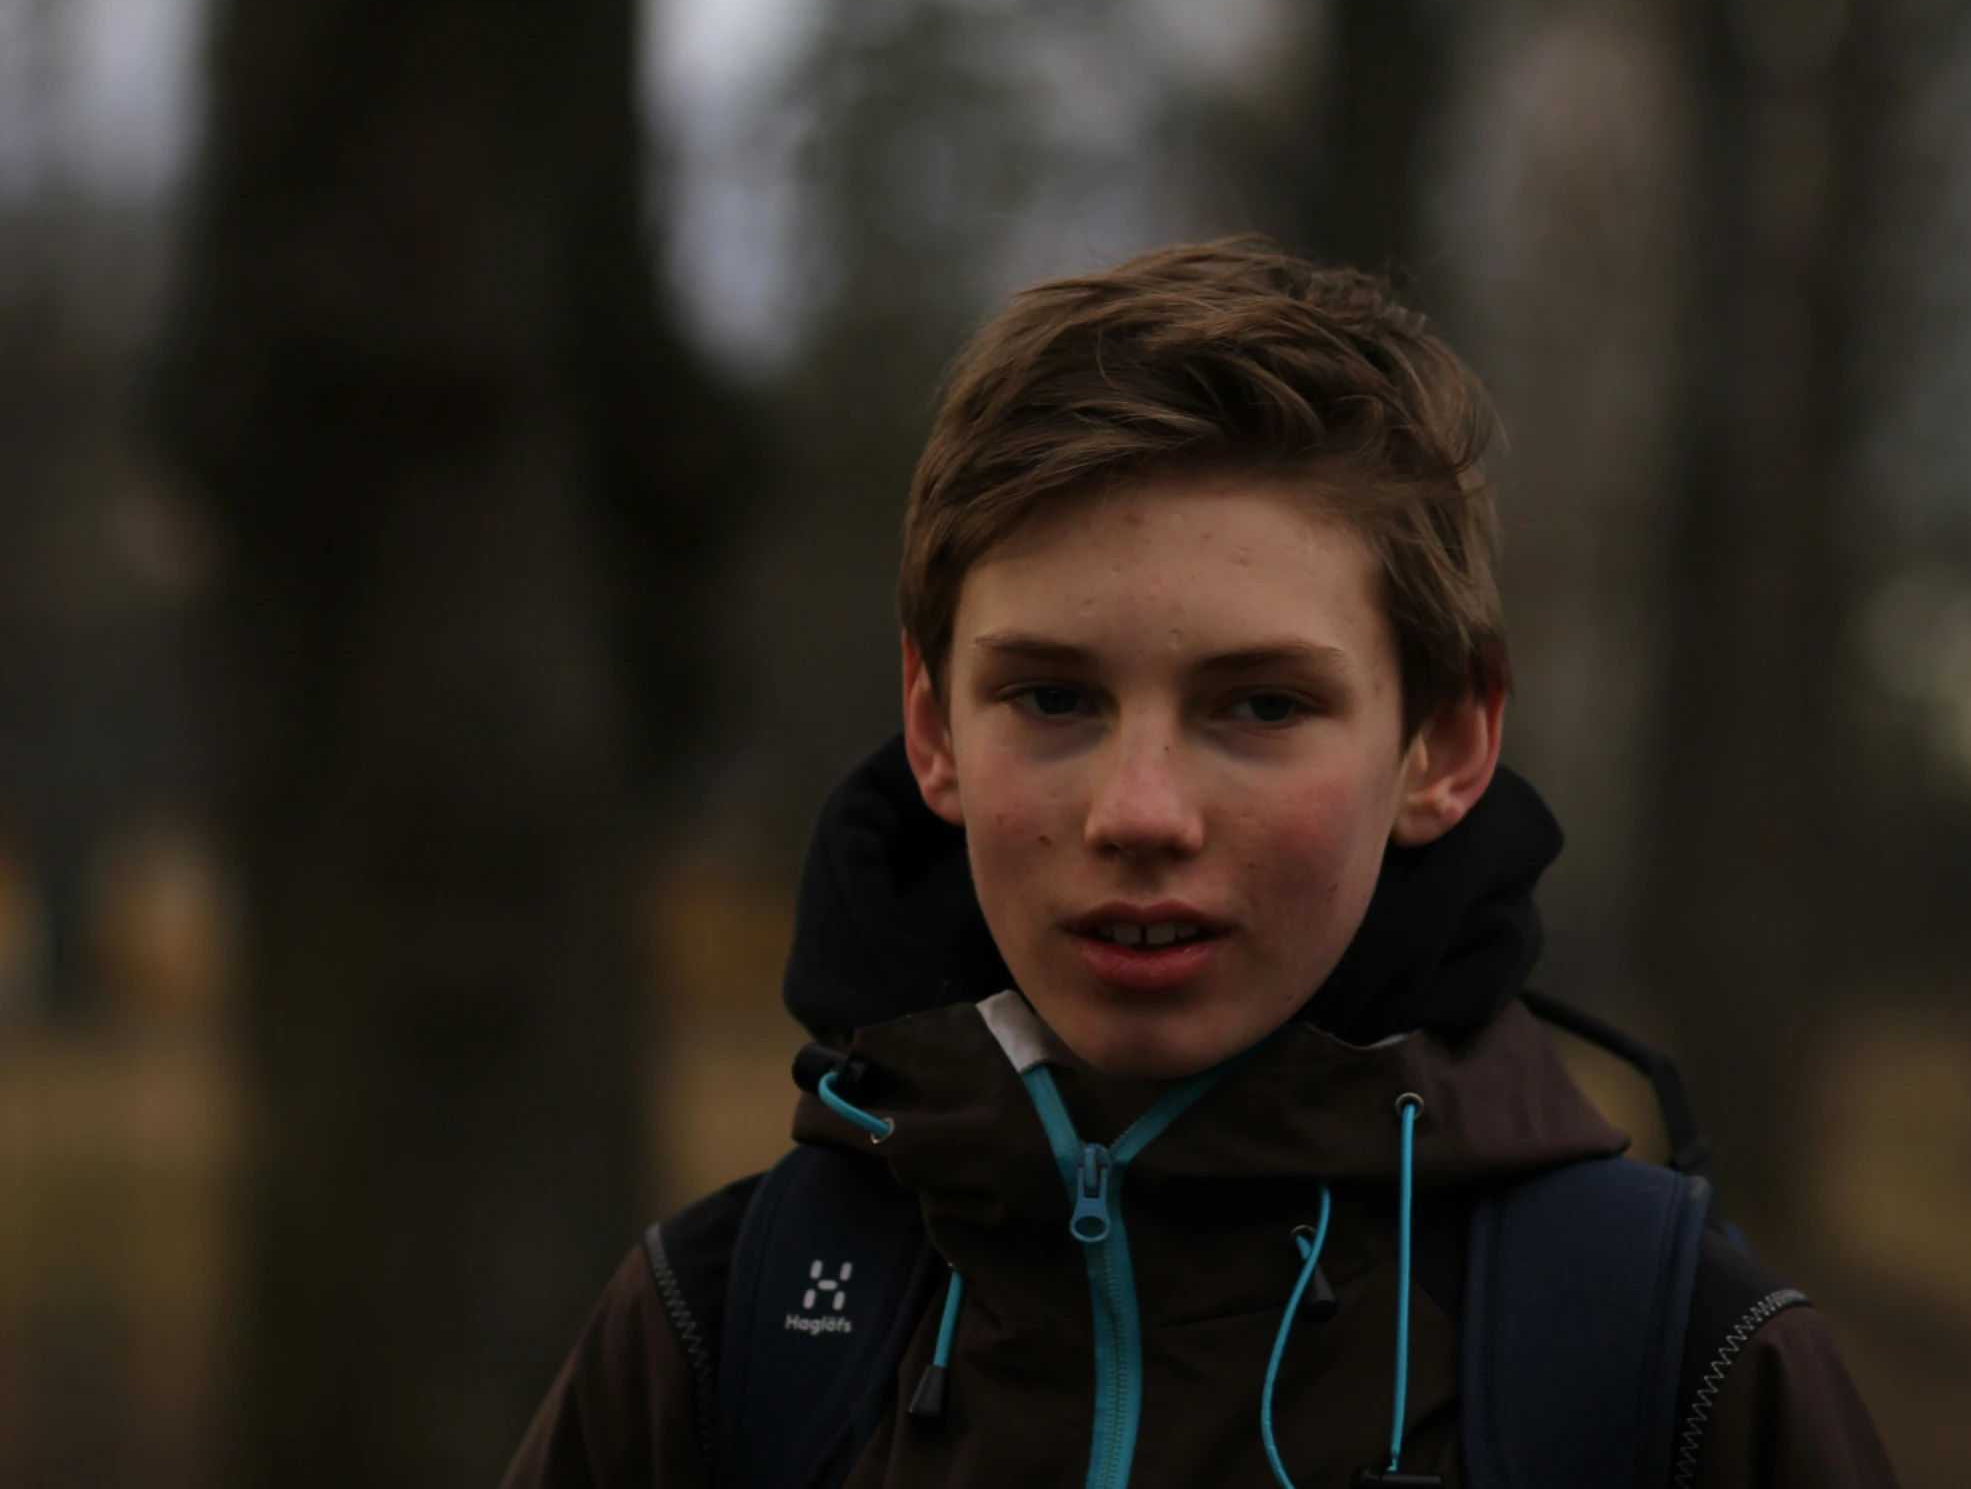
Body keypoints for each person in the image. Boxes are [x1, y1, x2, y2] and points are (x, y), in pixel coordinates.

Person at [501, 237, 1897, 1489]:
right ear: (932, 729)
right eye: (1050, 697)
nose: (1140, 809)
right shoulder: (731, 1335)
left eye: (1261, 705)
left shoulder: (1666, 1372)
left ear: (1445, 741)